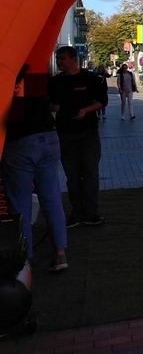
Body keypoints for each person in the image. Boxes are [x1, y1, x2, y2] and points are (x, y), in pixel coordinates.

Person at [1, 65, 69, 272]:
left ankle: (26, 260)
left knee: (20, 204)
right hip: (48, 137)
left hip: (20, 143)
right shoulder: (36, 76)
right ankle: (60, 254)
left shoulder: (7, 78)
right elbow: (54, 105)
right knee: (51, 199)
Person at [49, 45, 108, 227]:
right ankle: (76, 212)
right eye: (57, 59)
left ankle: (91, 212)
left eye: (62, 59)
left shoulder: (90, 79)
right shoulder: (55, 82)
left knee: (90, 172)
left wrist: (85, 111)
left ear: (73, 59)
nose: (59, 62)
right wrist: (58, 108)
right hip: (65, 133)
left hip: (88, 132)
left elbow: (101, 101)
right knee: (72, 175)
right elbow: (51, 104)